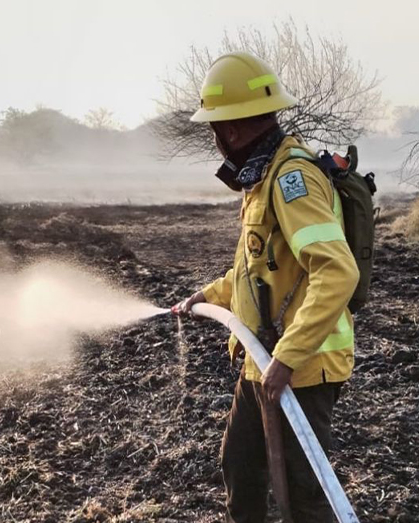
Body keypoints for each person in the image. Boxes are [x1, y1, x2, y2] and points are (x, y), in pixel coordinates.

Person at [173, 51, 359, 523]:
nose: (215, 139)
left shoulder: (291, 179)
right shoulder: (263, 177)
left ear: (229, 131)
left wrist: (287, 358)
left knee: (304, 498)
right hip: (265, 360)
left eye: (214, 128)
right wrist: (209, 297)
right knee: (240, 466)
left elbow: (337, 271)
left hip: (304, 366)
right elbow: (260, 271)